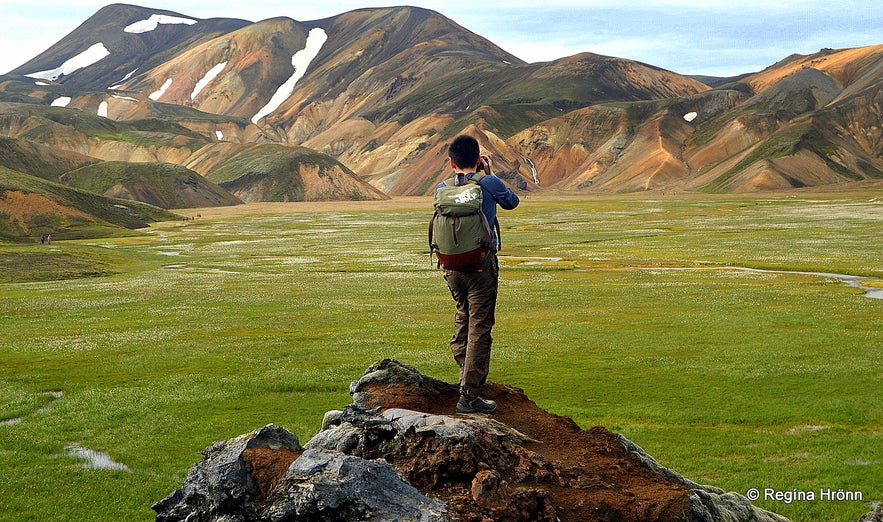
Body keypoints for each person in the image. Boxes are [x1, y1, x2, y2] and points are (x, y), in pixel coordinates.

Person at [436, 134, 520, 414]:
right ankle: (469, 395)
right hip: (481, 265)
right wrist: (490, 174)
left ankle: (464, 368)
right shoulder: (488, 182)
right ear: (478, 160)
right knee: (480, 326)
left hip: (451, 267)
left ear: (451, 162)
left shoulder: (441, 188)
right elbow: (512, 203)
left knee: (463, 313)